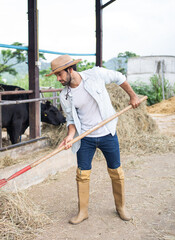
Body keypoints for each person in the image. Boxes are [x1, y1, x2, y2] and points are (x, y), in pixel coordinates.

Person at [46, 55, 140, 224]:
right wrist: (69, 136)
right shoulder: (65, 95)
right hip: (85, 138)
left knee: (116, 171)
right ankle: (83, 212)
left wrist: (132, 96)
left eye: (59, 74)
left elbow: (120, 78)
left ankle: (121, 207)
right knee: (82, 174)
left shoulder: (95, 74)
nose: (58, 79)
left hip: (107, 133)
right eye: (56, 76)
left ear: (70, 69)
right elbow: (72, 120)